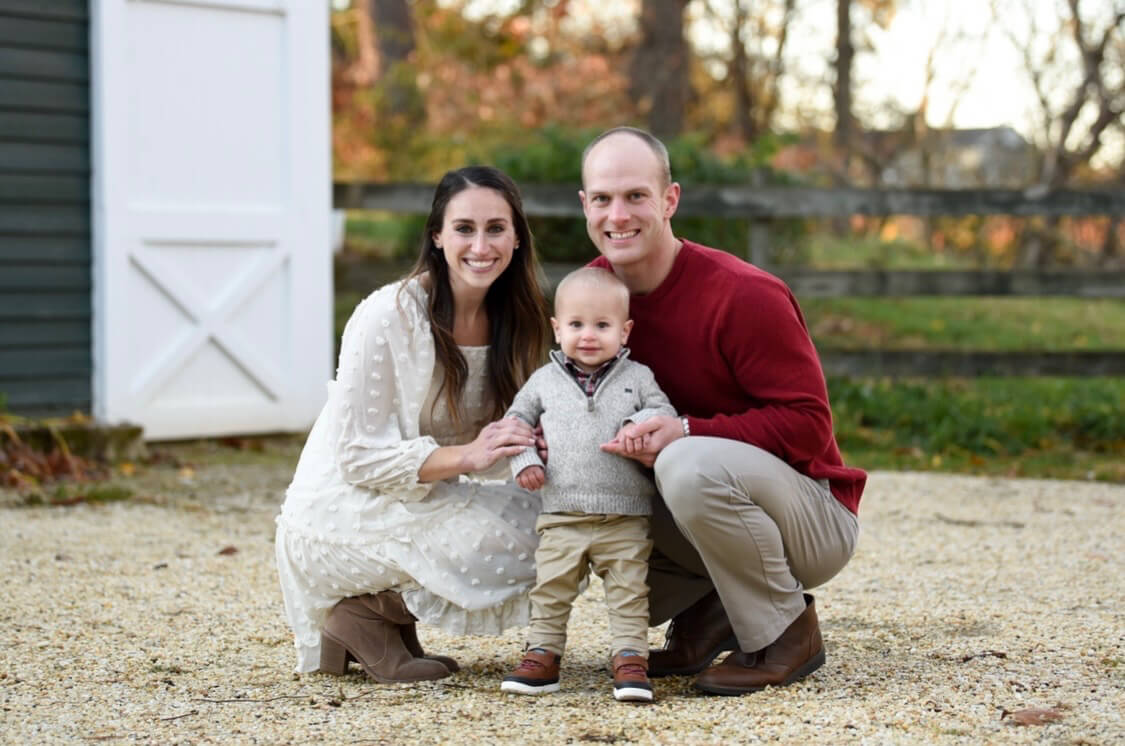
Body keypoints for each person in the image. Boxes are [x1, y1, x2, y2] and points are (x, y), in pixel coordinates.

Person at [579, 126, 867, 696]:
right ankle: (714, 612)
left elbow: (809, 428)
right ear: (584, 206)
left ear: (669, 200)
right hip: (701, 512)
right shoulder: (591, 299)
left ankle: (788, 631)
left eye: (636, 195)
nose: (619, 214)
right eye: (603, 198)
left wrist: (684, 430)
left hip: (809, 519)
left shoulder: (743, 294)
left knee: (684, 462)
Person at [275, 166, 551, 682]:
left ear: (517, 239)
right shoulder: (388, 315)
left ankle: (385, 622)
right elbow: (357, 456)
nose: (480, 245)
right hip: (340, 511)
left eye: (496, 228)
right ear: (438, 236)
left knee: (558, 519)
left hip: (420, 495)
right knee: (507, 537)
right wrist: (470, 455)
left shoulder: (518, 320)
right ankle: (365, 615)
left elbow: (508, 439)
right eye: (464, 228)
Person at [497, 267, 676, 702]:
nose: (588, 335)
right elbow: (515, 423)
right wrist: (524, 460)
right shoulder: (543, 381)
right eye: (576, 325)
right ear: (557, 329)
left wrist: (638, 423)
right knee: (552, 586)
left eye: (602, 325)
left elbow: (662, 411)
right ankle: (543, 654)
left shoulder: (638, 378)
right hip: (562, 513)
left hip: (625, 513)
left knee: (629, 590)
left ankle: (631, 658)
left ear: (625, 330)